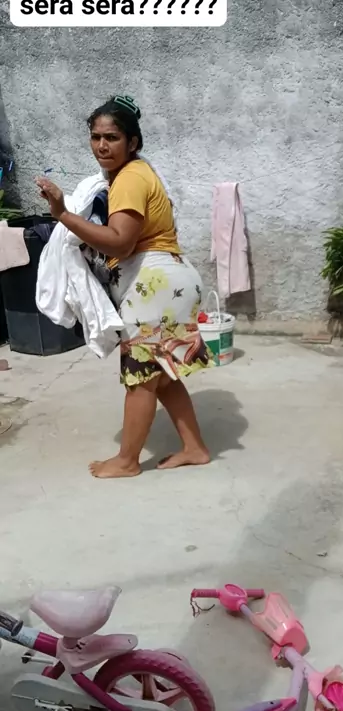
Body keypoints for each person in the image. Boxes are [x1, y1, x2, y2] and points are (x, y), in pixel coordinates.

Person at [35, 95, 212, 479]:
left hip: (156, 287)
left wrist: (62, 214)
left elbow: (119, 243)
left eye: (112, 137)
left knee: (140, 379)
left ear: (132, 142)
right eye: (96, 137)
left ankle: (128, 461)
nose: (102, 146)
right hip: (167, 282)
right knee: (161, 378)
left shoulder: (130, 178)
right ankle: (194, 448)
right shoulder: (134, 173)